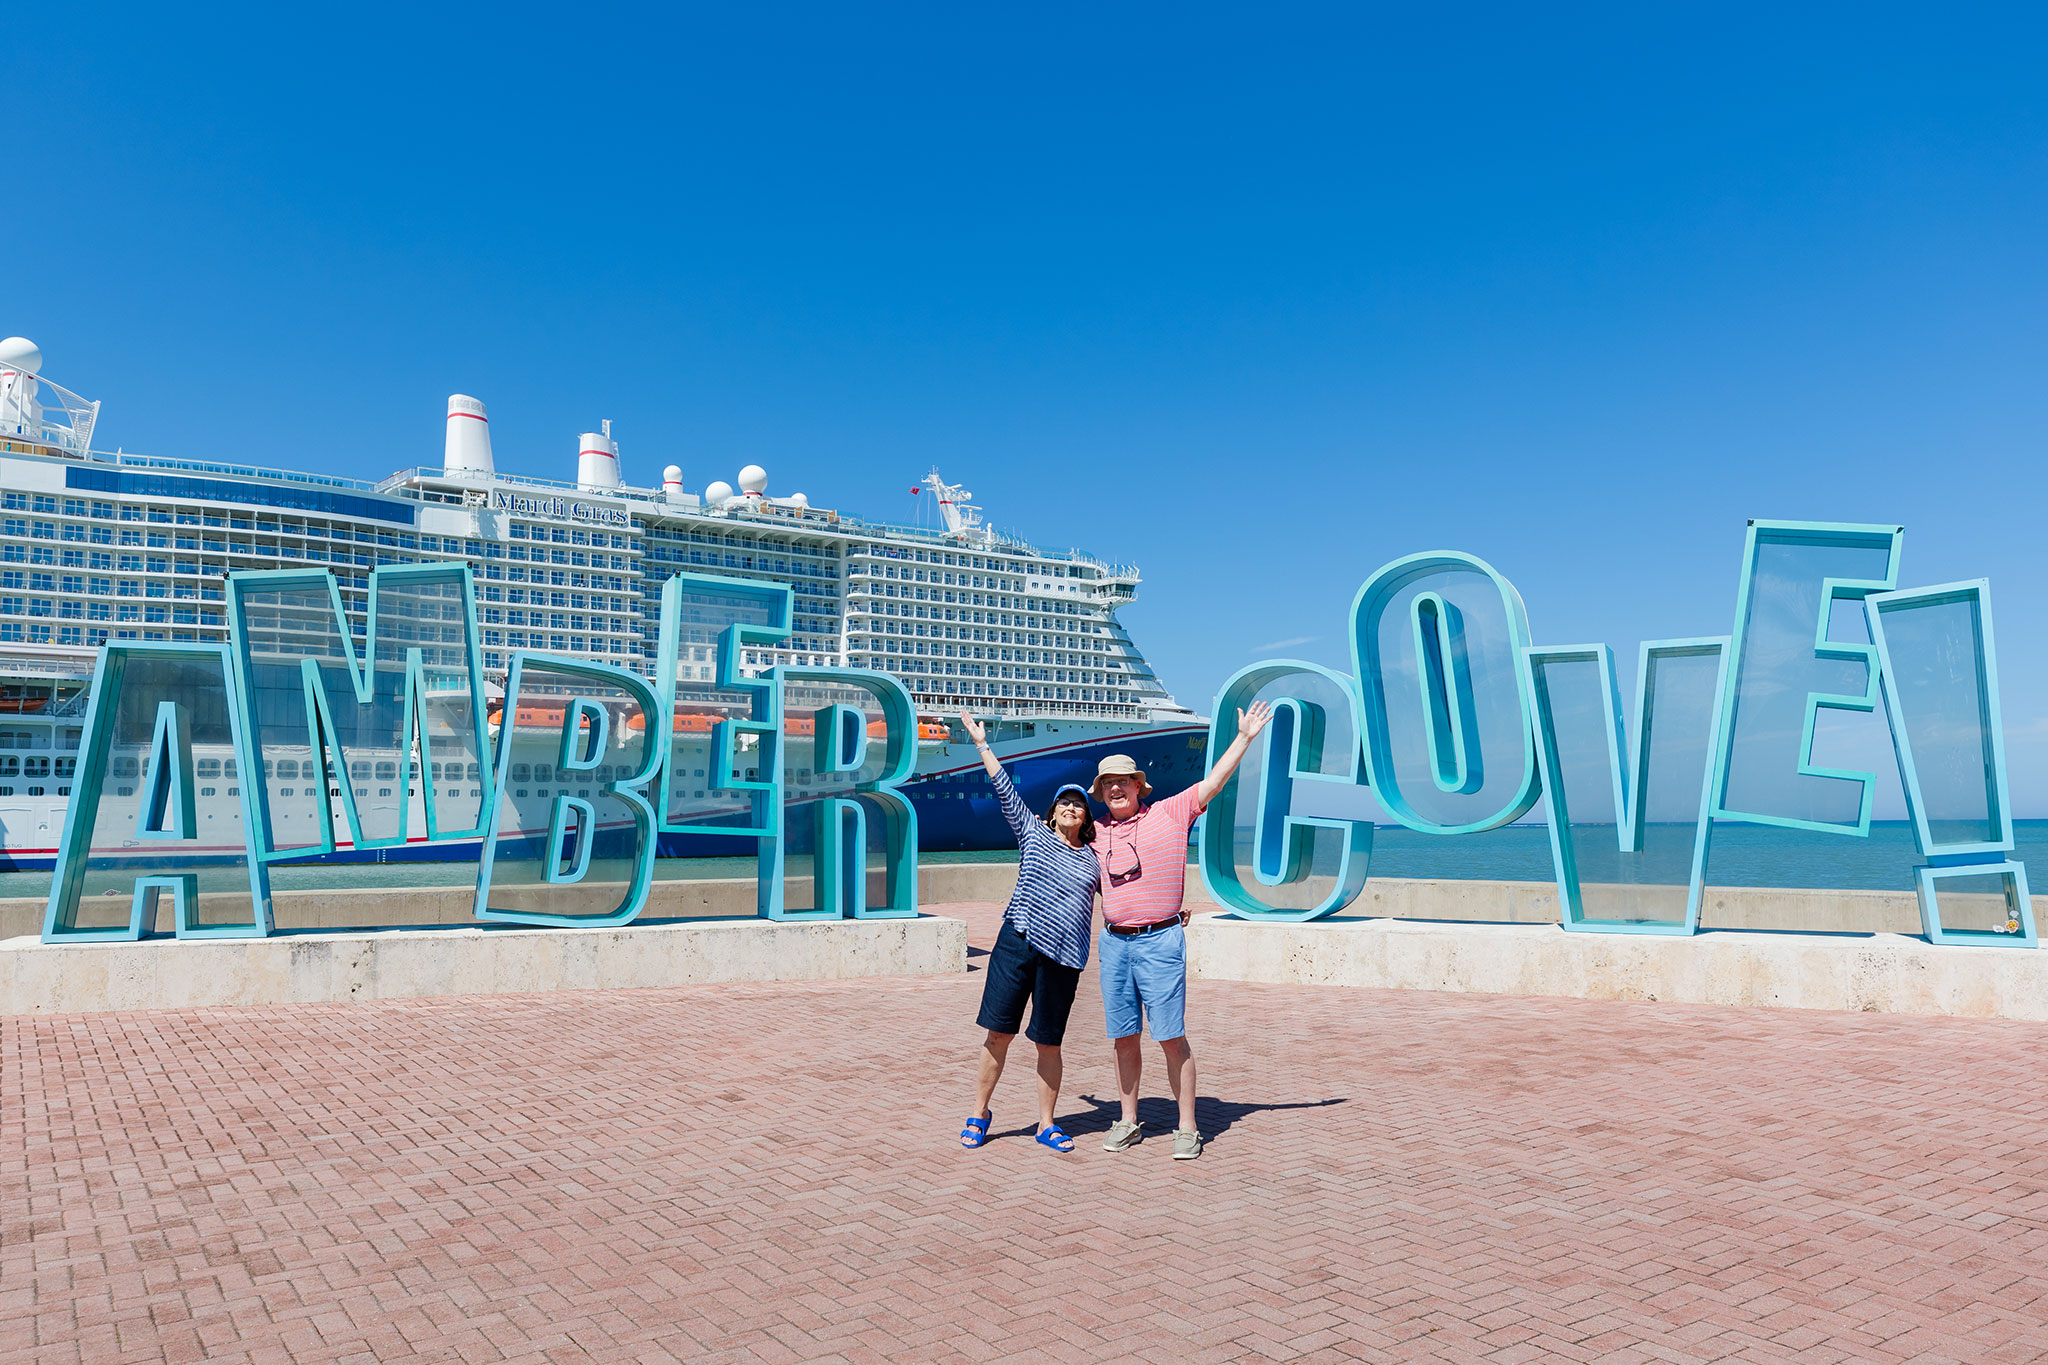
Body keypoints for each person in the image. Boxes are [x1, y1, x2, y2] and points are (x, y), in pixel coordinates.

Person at [1093, 701, 1273, 1160]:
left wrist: (1245, 738)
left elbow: (1213, 782)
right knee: (1123, 1037)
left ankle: (1187, 1126)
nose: (1116, 788)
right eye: (1108, 783)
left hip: (1159, 940)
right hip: (1114, 942)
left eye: (1123, 781)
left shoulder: (1171, 813)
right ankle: (1128, 1120)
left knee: (1170, 1036)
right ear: (1100, 792)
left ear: (1139, 786)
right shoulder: (1094, 833)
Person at [957, 711, 1102, 1154]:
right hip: (1017, 943)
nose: (1072, 807)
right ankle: (979, 1113)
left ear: (1085, 816)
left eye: (1079, 803)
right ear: (1053, 811)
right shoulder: (1033, 834)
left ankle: (1046, 1123)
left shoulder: (1096, 859)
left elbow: (1129, 891)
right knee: (999, 1033)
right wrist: (983, 745)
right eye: (1065, 802)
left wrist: (1174, 911)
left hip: (1064, 957)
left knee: (1049, 1043)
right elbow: (1005, 790)